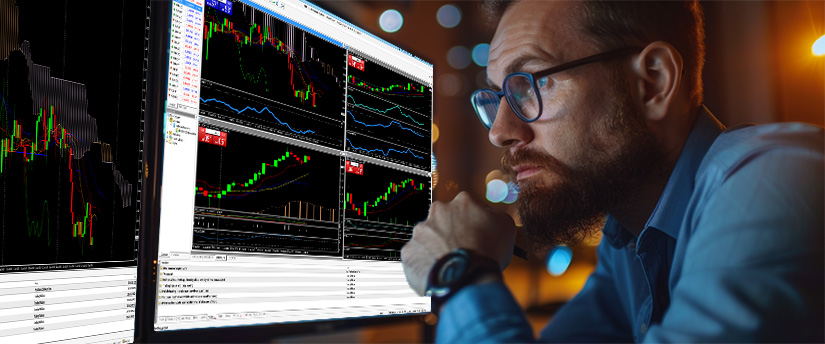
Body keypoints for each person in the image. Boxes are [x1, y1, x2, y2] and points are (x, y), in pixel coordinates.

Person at [400, 0, 824, 342]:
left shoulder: (775, 180)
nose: (499, 132)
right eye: (498, 97)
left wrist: (462, 273)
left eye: (534, 82)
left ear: (652, 83)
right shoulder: (627, 239)